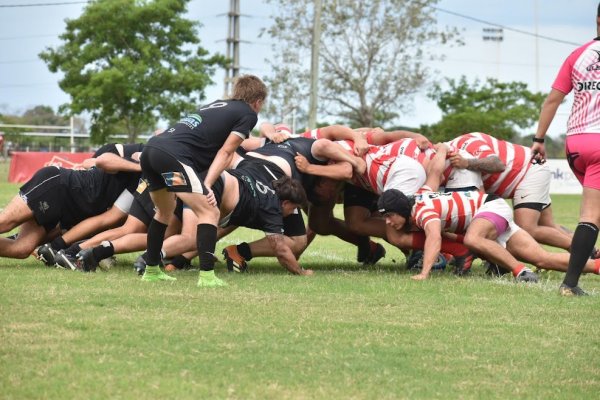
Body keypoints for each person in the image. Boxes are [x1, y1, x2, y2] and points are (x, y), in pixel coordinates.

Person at [139, 74, 267, 287]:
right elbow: (227, 152)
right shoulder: (248, 113)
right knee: (210, 211)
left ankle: (151, 270)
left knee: (164, 212)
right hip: (171, 156)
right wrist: (207, 183)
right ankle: (207, 276)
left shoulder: (217, 105)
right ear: (258, 102)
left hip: (151, 151)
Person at [531, 3, 600, 296]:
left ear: (597, 20)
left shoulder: (577, 55)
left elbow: (552, 101)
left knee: (594, 212)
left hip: (575, 145)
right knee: (590, 216)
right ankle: (569, 285)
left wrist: (539, 139)